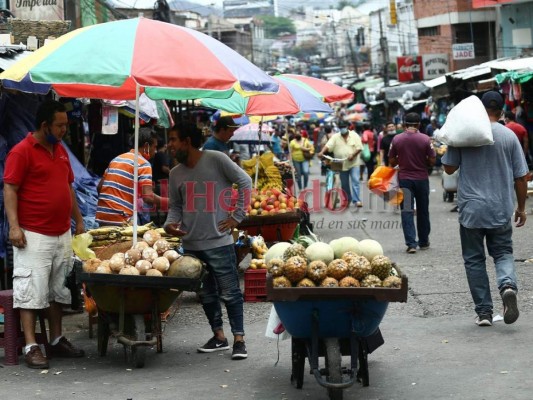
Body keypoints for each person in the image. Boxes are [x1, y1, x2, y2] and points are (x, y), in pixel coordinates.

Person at [3, 100, 86, 369]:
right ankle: (31, 346)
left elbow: (69, 187)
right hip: (33, 234)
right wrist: (14, 226)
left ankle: (56, 339)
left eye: (65, 124)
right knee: (30, 292)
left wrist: (79, 221)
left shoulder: (60, 150)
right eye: (60, 125)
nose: (64, 130)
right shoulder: (22, 151)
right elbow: (10, 189)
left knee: (57, 291)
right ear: (44, 125)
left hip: (61, 233)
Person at [164, 122, 252, 360]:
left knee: (231, 292)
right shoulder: (175, 174)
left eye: (173, 140)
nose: (169, 146)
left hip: (219, 242)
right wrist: (169, 225)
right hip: (192, 245)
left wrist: (237, 217)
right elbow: (176, 207)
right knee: (206, 294)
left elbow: (245, 181)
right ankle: (219, 336)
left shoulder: (216, 159)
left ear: (187, 141)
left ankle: (239, 340)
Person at [442, 91, 528, 327]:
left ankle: (484, 313)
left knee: (474, 260)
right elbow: (521, 177)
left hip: (471, 209)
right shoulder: (509, 136)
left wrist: (451, 143)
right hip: (500, 208)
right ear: (502, 111)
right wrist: (521, 208)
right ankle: (508, 286)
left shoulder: (465, 134)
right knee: (502, 253)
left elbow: (449, 169)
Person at [96, 127, 167, 226]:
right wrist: (168, 203)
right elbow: (148, 197)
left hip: (102, 217)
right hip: (122, 219)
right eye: (154, 147)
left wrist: (110, 206)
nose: (155, 151)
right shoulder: (143, 163)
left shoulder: (117, 159)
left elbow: (100, 187)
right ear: (146, 146)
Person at [389, 112, 436, 254]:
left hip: (405, 180)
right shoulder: (426, 139)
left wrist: (402, 161)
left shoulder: (397, 139)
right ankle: (423, 241)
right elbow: (433, 160)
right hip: (422, 179)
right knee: (423, 210)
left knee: (407, 211)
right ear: (419, 124)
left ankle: (411, 243)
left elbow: (391, 160)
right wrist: (424, 162)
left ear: (404, 124)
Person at [318, 122, 363, 208]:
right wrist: (322, 152)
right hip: (341, 164)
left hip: (354, 163)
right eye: (341, 127)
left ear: (348, 127)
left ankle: (357, 200)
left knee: (355, 181)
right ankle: (347, 199)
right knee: (344, 184)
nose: (342, 129)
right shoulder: (335, 136)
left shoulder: (354, 135)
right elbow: (328, 145)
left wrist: (353, 155)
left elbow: (359, 147)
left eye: (344, 127)